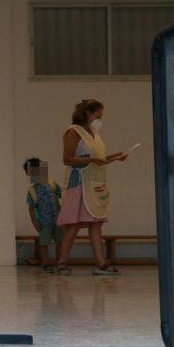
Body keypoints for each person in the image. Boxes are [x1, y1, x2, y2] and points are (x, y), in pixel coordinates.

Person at [55, 99, 128, 276]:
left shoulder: (95, 133)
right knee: (74, 224)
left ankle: (101, 263)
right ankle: (61, 263)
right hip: (79, 183)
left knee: (96, 224)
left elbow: (99, 159)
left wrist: (115, 157)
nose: (100, 118)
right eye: (98, 115)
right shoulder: (73, 132)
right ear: (88, 113)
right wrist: (90, 160)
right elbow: (67, 159)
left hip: (96, 184)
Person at [23, 157, 64, 273]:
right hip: (44, 222)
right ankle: (46, 264)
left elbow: (61, 199)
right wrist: (35, 222)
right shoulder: (31, 190)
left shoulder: (52, 184)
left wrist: (64, 217)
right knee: (43, 243)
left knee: (60, 242)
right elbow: (31, 208)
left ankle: (60, 263)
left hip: (58, 220)